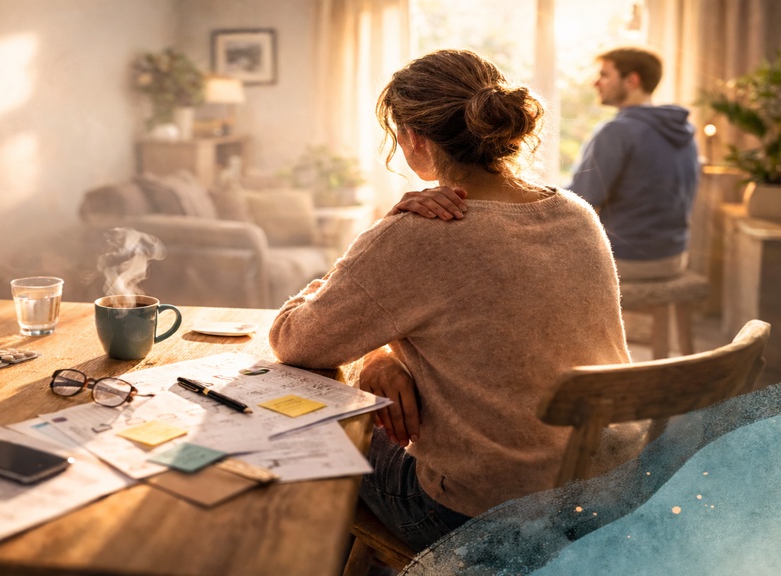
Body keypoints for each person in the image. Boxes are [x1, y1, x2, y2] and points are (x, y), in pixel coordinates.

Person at [268, 49, 630, 552]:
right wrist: (380, 356)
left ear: (415, 138)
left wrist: (384, 231)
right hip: (609, 494)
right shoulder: (576, 213)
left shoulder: (420, 233)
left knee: (318, 426)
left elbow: (295, 340)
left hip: (481, 515)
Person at [567, 46, 700, 280]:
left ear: (632, 80)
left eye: (604, 75)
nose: (596, 83)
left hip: (628, 259)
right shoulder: (683, 130)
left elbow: (581, 200)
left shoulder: (617, 131)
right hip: (674, 256)